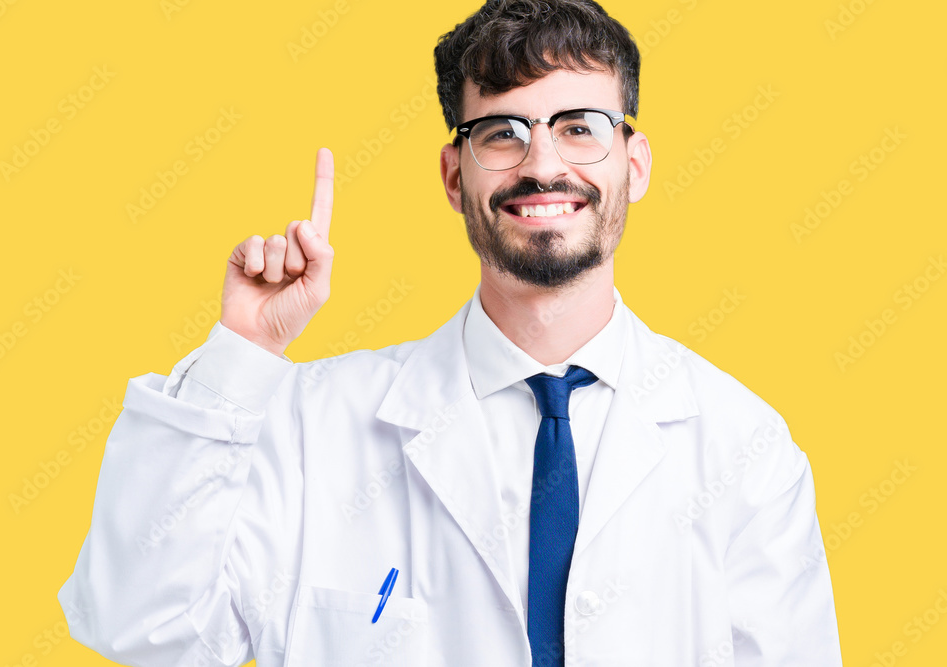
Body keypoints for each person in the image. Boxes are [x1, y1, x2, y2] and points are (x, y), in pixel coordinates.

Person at [58, 1, 842, 665]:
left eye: (580, 127)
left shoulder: (745, 447)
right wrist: (240, 356)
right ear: (452, 175)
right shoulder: (309, 424)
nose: (542, 164)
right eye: (501, 131)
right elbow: (137, 625)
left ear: (633, 163)